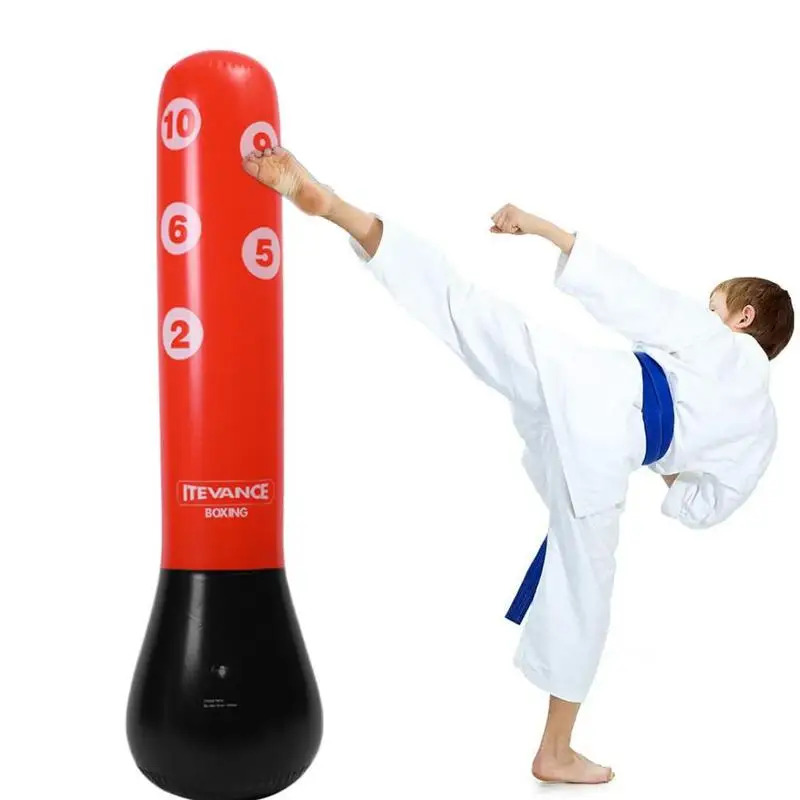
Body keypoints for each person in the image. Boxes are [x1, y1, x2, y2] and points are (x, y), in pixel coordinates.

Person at [242, 147, 793, 784]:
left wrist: (541, 227)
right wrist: (663, 455)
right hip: (606, 459)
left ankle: (338, 209)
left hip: (579, 383)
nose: (706, 313)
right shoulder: (762, 428)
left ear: (743, 318)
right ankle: (555, 750)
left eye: (713, 304)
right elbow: (706, 507)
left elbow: (636, 297)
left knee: (463, 307)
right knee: (585, 592)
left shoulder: (718, 341)